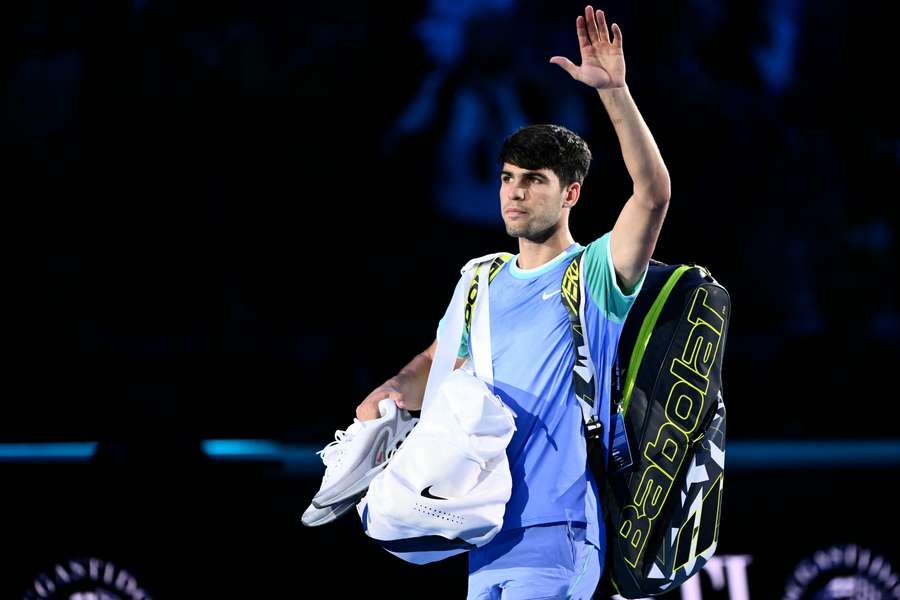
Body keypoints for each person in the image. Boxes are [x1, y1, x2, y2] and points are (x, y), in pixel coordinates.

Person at [355, 6, 670, 598]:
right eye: (507, 178)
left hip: (562, 528)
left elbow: (652, 196)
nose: (515, 192)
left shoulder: (597, 272)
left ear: (571, 193)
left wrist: (616, 92)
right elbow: (435, 363)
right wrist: (394, 390)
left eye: (533, 180)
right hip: (485, 527)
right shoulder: (479, 279)